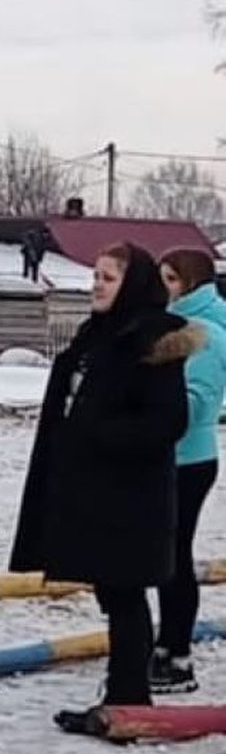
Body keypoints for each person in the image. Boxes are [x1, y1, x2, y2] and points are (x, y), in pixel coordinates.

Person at [9, 241, 199, 734]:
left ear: (132, 285)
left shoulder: (152, 340)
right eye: (95, 275)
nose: (96, 284)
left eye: (108, 278)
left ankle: (129, 703)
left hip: (129, 498)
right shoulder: (97, 337)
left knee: (125, 594)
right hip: (94, 493)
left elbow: (168, 421)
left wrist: (98, 434)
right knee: (114, 594)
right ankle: (122, 699)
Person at [153, 248, 226, 693]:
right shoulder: (178, 325)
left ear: (191, 283)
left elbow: (196, 400)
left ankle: (177, 655)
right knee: (165, 556)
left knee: (174, 557)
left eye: (171, 280)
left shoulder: (205, 333)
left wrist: (148, 412)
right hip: (173, 456)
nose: (164, 289)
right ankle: (166, 645)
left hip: (189, 458)